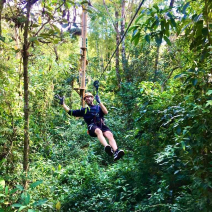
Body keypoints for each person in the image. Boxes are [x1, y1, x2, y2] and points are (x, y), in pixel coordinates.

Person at [55, 92, 124, 161]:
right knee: (98, 131)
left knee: (109, 134)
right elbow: (70, 112)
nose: (87, 98)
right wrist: (63, 104)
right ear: (85, 100)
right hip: (92, 126)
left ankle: (116, 151)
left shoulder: (98, 107)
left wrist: (99, 102)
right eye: (86, 98)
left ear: (92, 98)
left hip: (101, 124)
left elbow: (106, 112)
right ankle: (107, 147)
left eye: (89, 97)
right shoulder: (84, 110)